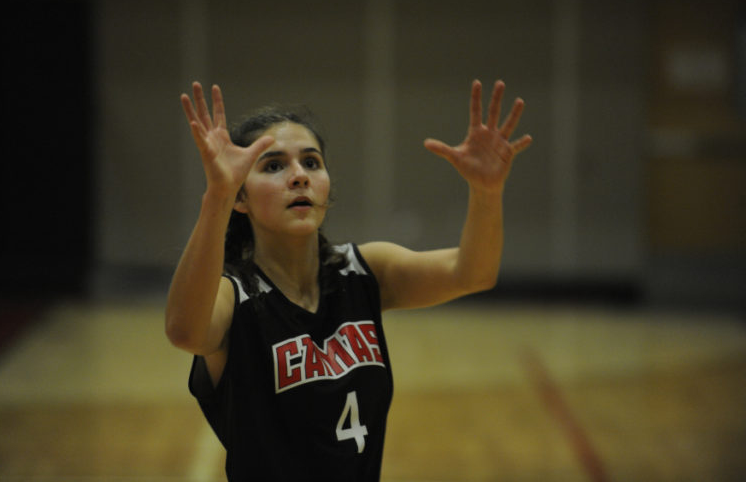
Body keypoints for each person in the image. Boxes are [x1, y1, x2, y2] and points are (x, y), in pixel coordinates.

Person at [165, 79, 532, 481]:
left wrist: (486, 192)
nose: (299, 176)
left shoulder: (365, 269)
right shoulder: (235, 295)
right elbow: (185, 331)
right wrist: (216, 195)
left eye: (311, 162)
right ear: (241, 196)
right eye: (273, 165)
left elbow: (473, 273)